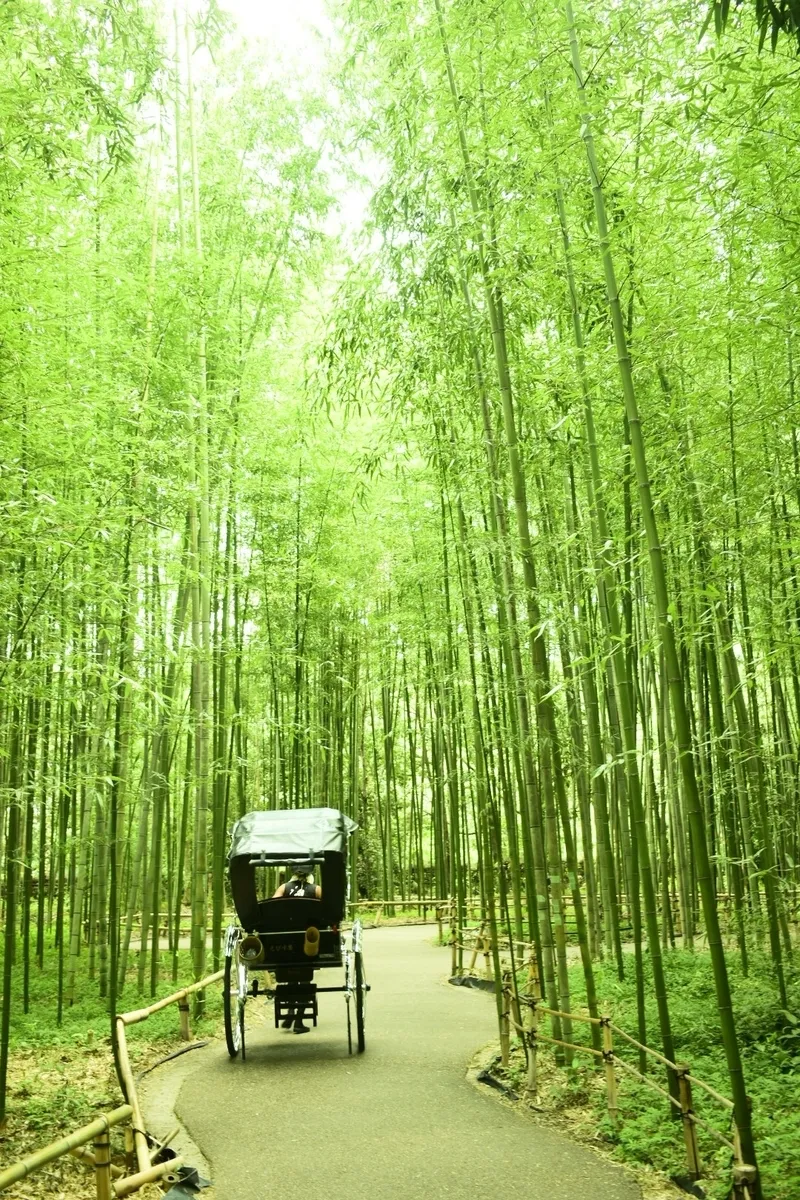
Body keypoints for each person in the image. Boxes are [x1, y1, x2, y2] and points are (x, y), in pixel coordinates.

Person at [272, 865, 320, 1033]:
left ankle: (290, 1013)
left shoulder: (284, 888)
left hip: (285, 942)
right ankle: (298, 1020)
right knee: (305, 978)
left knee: (290, 977)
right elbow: (327, 912)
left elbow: (272, 907)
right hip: (308, 941)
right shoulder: (316, 890)